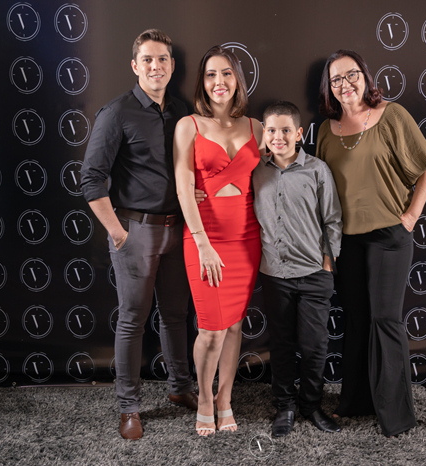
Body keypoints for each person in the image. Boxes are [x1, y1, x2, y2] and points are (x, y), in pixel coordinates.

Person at [80, 29, 198, 441]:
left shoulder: (182, 112)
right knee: (133, 319)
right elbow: (91, 178)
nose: (155, 66)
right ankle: (129, 407)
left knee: (176, 315)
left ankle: (180, 388)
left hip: (177, 228)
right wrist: (117, 233)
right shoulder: (117, 113)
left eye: (162, 59)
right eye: (147, 59)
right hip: (135, 230)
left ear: (172, 65)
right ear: (135, 66)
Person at [316, 50, 426, 437]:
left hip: (389, 237)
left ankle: (396, 415)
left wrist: (411, 217)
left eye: (351, 75)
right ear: (329, 88)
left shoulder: (391, 115)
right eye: (336, 79)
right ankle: (354, 403)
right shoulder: (325, 130)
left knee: (385, 320)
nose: (345, 84)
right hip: (346, 242)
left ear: (365, 77)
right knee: (356, 320)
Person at [173, 46, 264, 436]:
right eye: (211, 74)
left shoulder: (257, 127)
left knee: (234, 326)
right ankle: (205, 399)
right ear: (202, 82)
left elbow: (274, 178)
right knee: (211, 329)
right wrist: (203, 242)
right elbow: (183, 186)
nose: (219, 81)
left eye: (226, 73)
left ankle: (225, 399)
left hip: (247, 238)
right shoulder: (188, 125)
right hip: (203, 237)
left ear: (237, 79)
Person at [252, 101, 343, 437]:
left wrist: (328, 261)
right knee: (282, 345)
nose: (278, 137)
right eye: (272, 130)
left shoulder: (317, 170)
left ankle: (311, 404)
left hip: (314, 273)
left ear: (299, 133)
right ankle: (285, 406)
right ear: (264, 133)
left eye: (286, 130)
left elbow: (333, 219)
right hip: (275, 274)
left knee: (315, 345)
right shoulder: (255, 171)